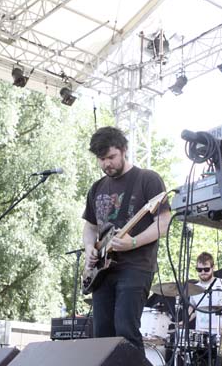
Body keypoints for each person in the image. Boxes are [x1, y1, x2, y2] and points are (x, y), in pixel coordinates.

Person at [82, 126, 171, 354]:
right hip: (102, 271)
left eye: (111, 157)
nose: (106, 164)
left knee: (125, 330)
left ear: (124, 151)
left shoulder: (147, 179)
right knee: (101, 335)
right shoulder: (96, 187)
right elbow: (90, 226)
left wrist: (134, 242)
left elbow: (163, 222)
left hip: (135, 267)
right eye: (101, 159)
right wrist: (89, 247)